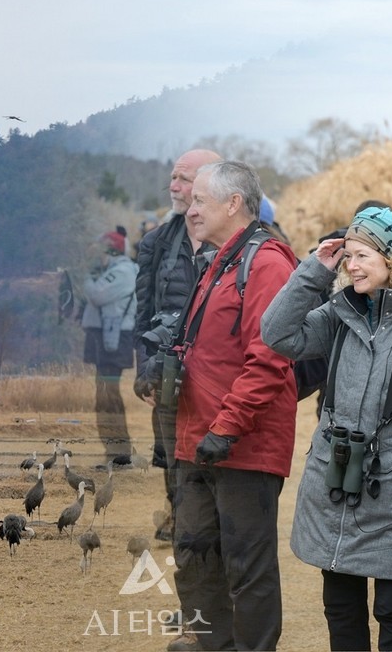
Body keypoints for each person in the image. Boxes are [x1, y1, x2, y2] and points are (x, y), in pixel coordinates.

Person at [262, 205, 392, 652]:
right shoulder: (341, 312)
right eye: (348, 256)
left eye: (363, 256)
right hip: (336, 480)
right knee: (340, 606)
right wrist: (314, 271)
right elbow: (277, 334)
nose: (351, 266)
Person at [169, 160, 299, 651]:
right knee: (195, 557)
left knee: (247, 567)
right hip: (196, 442)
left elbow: (269, 357)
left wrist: (225, 428)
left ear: (233, 204)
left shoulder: (265, 263)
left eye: (200, 200)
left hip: (242, 445)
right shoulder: (218, 261)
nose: (189, 209)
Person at [133, 148, 221, 543]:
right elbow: (144, 313)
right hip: (169, 380)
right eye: (174, 177)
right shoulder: (156, 243)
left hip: (219, 383)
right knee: (173, 461)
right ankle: (181, 526)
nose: (174, 185)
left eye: (184, 179)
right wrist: (146, 373)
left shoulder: (244, 243)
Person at [80, 228, 137, 457]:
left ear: (110, 251)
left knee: (109, 396)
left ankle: (119, 452)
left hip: (113, 341)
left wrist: (85, 275)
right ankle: (114, 451)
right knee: (104, 395)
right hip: (105, 338)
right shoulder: (113, 270)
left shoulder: (122, 271)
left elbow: (96, 295)